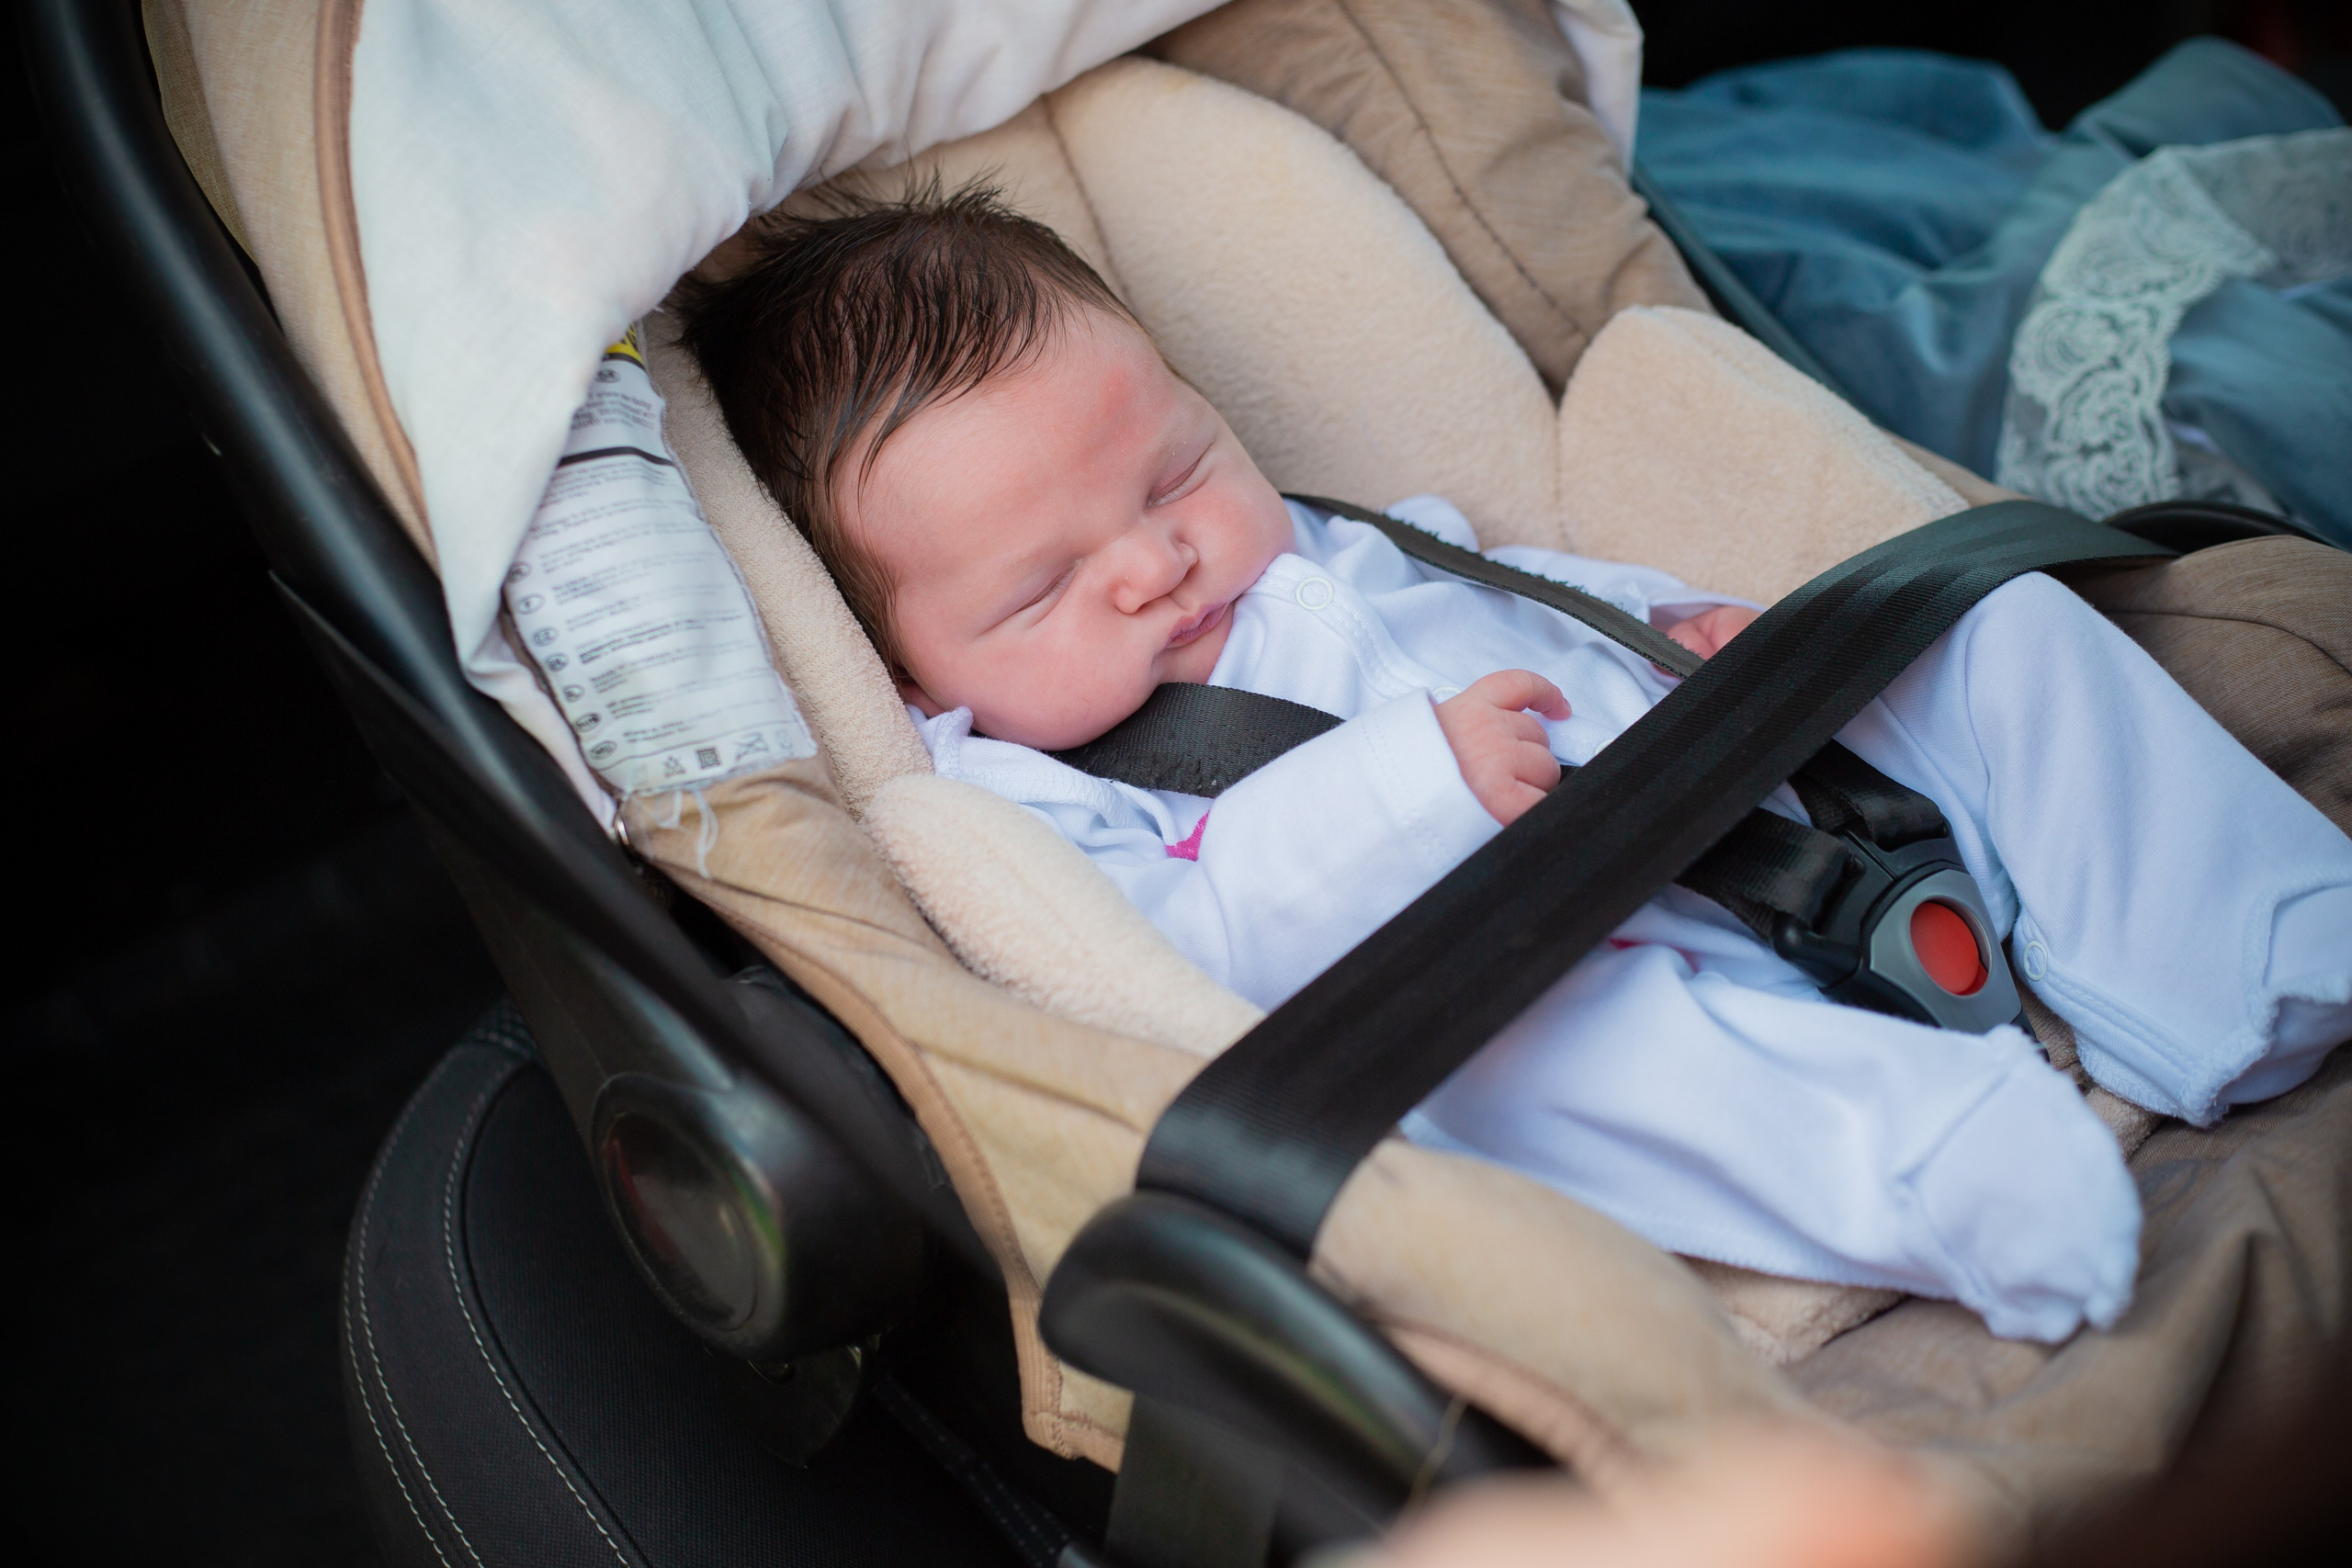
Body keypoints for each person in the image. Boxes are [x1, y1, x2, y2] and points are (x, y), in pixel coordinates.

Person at [679, 186, 2352, 1343]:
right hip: (1521, 981)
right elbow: (1182, 951)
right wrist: (1409, 789)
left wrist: (1684, 629)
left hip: (1751, 794)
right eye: (1042, 587)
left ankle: (2236, 943)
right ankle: (1939, 1164)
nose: (1152, 566)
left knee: (1989, 630)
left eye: (1177, 473)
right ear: (910, 672)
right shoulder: (1022, 794)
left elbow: (1532, 602)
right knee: (1541, 1056)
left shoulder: (1338, 552)